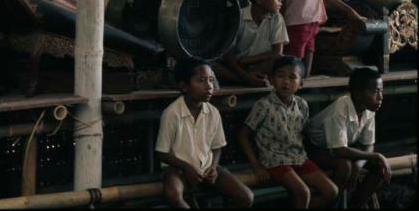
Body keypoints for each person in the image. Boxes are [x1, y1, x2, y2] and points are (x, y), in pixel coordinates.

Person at [237, 56, 338, 208]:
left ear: (301, 83)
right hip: (274, 161)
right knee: (303, 193)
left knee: (331, 191)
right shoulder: (264, 105)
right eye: (280, 76)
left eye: (292, 77)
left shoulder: (302, 105)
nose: (286, 81)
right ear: (271, 79)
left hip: (299, 158)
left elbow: (302, 133)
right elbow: (243, 135)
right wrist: (257, 166)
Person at [155, 57, 254, 208]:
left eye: (211, 80)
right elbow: (162, 153)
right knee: (173, 195)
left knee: (246, 197)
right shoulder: (172, 113)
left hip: (207, 167)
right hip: (178, 169)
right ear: (184, 86)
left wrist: (213, 167)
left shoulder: (213, 112)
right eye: (201, 80)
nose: (209, 86)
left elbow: (217, 146)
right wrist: (187, 167)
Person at [304, 67, 391, 208]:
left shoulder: (369, 109)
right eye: (375, 92)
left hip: (339, 149)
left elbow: (368, 145)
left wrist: (359, 163)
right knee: (345, 166)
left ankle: (355, 205)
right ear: (357, 93)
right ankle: (334, 205)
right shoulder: (341, 108)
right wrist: (377, 156)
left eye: (381, 91)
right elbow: (340, 151)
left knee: (377, 167)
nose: (380, 97)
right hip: (313, 149)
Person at [213, 0, 289, 87]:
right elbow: (229, 57)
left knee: (281, 61)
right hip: (236, 65)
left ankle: (243, 79)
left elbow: (277, 53)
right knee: (212, 66)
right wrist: (245, 75)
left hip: (260, 64)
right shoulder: (238, 17)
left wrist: (248, 60)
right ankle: (246, 80)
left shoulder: (277, 18)